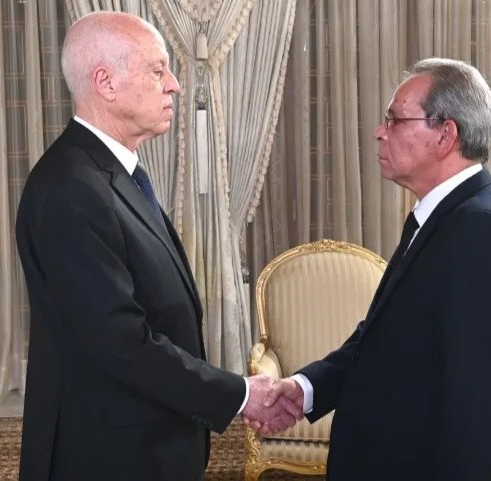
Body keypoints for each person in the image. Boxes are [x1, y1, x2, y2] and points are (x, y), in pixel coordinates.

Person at [15, 12, 297, 481]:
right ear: (105, 82)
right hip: (108, 455)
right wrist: (241, 394)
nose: (174, 85)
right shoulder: (71, 188)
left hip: (146, 441)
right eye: (157, 70)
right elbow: (120, 343)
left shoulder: (111, 173)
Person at [256, 58, 491, 480]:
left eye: (395, 119)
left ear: (445, 135)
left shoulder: (481, 230)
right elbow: (384, 340)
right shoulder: (445, 215)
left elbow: (483, 407)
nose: (379, 131)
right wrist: (307, 388)